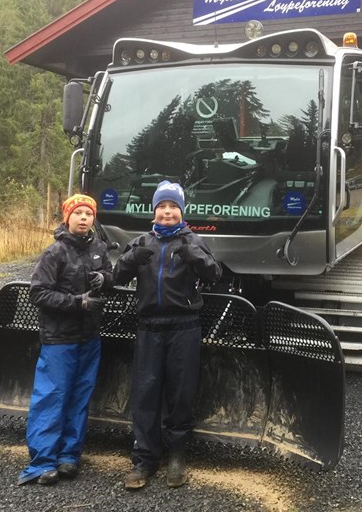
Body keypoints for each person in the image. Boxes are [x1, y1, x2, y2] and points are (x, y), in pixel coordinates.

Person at [114, 180, 222, 490]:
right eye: (162, 206)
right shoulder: (142, 242)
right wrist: (131, 259)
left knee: (181, 393)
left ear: (181, 212)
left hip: (184, 326)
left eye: (173, 207)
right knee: (145, 394)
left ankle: (177, 455)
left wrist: (195, 257)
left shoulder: (193, 241)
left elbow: (215, 274)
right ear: (154, 211)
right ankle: (145, 459)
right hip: (149, 327)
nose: (167, 212)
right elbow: (116, 276)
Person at [17, 194, 112, 486]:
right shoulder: (54, 253)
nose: (84, 218)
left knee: (79, 397)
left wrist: (104, 279)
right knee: (52, 398)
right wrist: (77, 302)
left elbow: (110, 275)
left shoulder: (99, 248)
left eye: (88, 213)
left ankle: (69, 456)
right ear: (67, 217)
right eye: (78, 213)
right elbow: (38, 293)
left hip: (89, 338)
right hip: (60, 339)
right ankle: (42, 463)